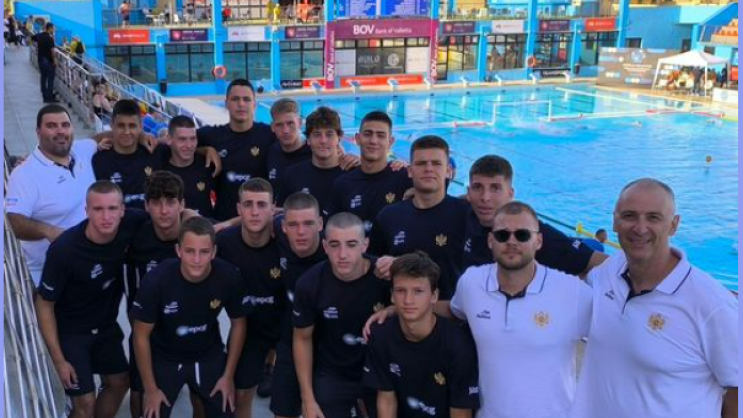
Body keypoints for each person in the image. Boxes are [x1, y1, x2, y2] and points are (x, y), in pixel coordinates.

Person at [571, 178, 738, 418]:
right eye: (629, 216)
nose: (640, 228)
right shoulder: (609, 271)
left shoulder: (711, 304)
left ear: (673, 225)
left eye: (653, 217)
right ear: (615, 221)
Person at [35, 181, 149, 418]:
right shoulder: (65, 249)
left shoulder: (133, 222)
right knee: (85, 404)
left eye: (112, 208)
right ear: (86, 211)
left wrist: (188, 215)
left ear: (122, 210)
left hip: (105, 327)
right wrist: (58, 360)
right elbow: (44, 304)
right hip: (70, 332)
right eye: (98, 209)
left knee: (120, 381)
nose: (106, 216)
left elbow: (167, 218)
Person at [132, 217, 248, 418]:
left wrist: (228, 376)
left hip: (208, 354)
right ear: (178, 251)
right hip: (165, 357)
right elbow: (140, 335)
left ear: (213, 252)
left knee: (226, 408)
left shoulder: (228, 276)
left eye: (204, 252)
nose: (196, 259)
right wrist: (150, 389)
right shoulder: (156, 281)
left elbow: (239, 323)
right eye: (189, 251)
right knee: (152, 412)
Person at [293, 213, 389, 418]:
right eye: (335, 245)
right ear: (325, 246)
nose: (342, 254)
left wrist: (392, 309)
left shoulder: (386, 277)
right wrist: (307, 398)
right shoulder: (309, 284)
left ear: (365, 245)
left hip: (382, 375)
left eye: (351, 244)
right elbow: (302, 338)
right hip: (333, 374)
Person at [364, 252, 480, 418]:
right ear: (392, 295)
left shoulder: (458, 344)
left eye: (418, 291)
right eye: (400, 290)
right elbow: (387, 400)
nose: (408, 300)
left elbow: (460, 412)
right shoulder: (381, 335)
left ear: (434, 296)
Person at [462, 155, 607, 274]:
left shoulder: (535, 235)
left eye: (495, 188)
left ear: (510, 194)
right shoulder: (462, 212)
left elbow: (603, 264)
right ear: (469, 192)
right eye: (477, 187)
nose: (485, 197)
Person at [6, 105, 98, 285]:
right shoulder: (24, 174)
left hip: (87, 262)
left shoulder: (82, 150)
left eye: (65, 125)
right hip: (47, 271)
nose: (60, 131)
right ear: (38, 132)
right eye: (51, 126)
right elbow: (14, 221)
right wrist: (48, 231)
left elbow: (104, 138)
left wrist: (143, 136)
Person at [369, 135, 469, 300]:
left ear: (448, 171)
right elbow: (373, 265)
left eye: (436, 163)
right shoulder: (388, 216)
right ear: (410, 171)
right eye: (421, 163)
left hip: (450, 313)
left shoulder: (466, 214)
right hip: (402, 311)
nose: (428, 169)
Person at [216, 179, 285, 417]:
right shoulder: (223, 242)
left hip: (288, 329)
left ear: (273, 209)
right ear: (238, 209)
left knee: (290, 402)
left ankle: (272, 368)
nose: (255, 212)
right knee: (240, 395)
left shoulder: (287, 238)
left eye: (261, 205)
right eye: (248, 204)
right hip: (249, 329)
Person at [270, 192, 328, 418]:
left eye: (308, 223)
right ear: (283, 227)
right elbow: (259, 218)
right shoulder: (278, 231)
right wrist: (225, 224)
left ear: (321, 224)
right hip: (291, 338)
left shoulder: (335, 248)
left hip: (329, 347)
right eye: (293, 225)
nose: (301, 232)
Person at [197, 79, 276, 221]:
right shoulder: (212, 136)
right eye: (235, 99)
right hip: (223, 222)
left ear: (254, 104)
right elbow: (178, 142)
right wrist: (205, 149)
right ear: (226, 103)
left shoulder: (269, 135)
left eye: (246, 99)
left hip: (260, 222)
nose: (241, 104)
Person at [330, 111, 413, 233]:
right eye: (368, 134)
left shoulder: (405, 178)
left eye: (381, 135)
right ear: (357, 139)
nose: (373, 141)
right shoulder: (343, 184)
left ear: (390, 142)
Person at [278, 106, 350, 221]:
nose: (323, 141)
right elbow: (281, 213)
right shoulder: (293, 174)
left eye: (329, 134)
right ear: (308, 139)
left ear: (339, 138)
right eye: (317, 134)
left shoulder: (351, 173)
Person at [92, 99, 167, 209]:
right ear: (112, 125)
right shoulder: (98, 160)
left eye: (132, 126)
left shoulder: (156, 152)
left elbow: (186, 144)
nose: (127, 131)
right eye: (121, 126)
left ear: (140, 126)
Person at [164, 115, 217, 219]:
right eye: (182, 139)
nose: (189, 145)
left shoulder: (208, 164)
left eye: (193, 139)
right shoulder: (161, 170)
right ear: (169, 139)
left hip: (206, 227)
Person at [266, 98, 312, 194]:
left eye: (290, 123)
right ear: (272, 127)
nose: (285, 131)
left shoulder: (313, 152)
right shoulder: (271, 152)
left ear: (299, 123)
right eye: (279, 125)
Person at [33, 22, 57, 103]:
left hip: (40, 60)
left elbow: (31, 38)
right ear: (50, 28)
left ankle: (44, 96)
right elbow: (52, 51)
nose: (54, 30)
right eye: (53, 28)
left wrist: (36, 48)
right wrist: (54, 61)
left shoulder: (39, 35)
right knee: (50, 79)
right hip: (48, 61)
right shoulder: (50, 38)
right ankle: (50, 97)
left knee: (43, 78)